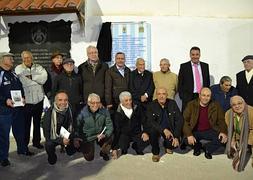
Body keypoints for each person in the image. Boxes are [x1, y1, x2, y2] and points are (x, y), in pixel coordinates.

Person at [0, 52, 33, 167]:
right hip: (4, 111)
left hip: (18, 108)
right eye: (10, 58)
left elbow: (20, 88)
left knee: (20, 131)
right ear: (2, 59)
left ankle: (22, 149)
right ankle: (3, 157)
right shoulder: (0, 74)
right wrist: (5, 100)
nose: (12, 60)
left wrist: (23, 97)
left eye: (12, 58)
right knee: (4, 135)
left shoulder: (13, 74)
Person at [183, 87, 227, 159]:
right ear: (199, 95)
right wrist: (189, 135)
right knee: (186, 140)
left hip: (210, 130)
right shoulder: (191, 104)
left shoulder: (216, 105)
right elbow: (184, 120)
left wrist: (223, 131)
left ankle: (208, 148)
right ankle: (197, 146)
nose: (205, 98)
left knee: (223, 139)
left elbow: (221, 120)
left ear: (210, 96)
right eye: (203, 95)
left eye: (208, 96)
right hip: (195, 130)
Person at [15, 50, 47, 149]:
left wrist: (31, 77)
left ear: (32, 58)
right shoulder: (18, 68)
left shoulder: (39, 67)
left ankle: (36, 142)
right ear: (22, 59)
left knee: (37, 123)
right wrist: (37, 80)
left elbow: (44, 79)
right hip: (27, 101)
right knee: (26, 124)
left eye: (28, 57)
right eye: (24, 58)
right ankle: (25, 145)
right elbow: (24, 82)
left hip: (39, 100)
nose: (27, 59)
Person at [146, 87, 183, 162]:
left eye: (163, 94)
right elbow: (150, 121)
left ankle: (167, 145)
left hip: (170, 129)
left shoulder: (172, 103)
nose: (161, 96)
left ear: (167, 95)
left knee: (174, 145)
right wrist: (163, 130)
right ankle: (155, 153)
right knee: (152, 131)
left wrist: (176, 136)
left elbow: (179, 120)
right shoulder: (151, 105)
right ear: (156, 95)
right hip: (157, 129)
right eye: (159, 94)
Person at [74, 93, 113, 161]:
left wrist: (105, 134)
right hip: (88, 136)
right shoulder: (82, 113)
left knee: (111, 136)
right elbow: (76, 127)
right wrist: (77, 137)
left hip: (100, 134)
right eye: (93, 103)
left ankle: (104, 151)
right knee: (89, 158)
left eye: (97, 102)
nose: (95, 105)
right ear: (88, 103)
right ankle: (83, 146)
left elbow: (110, 126)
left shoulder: (105, 112)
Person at [111, 91, 149, 159]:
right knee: (122, 143)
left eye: (130, 99)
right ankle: (124, 149)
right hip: (124, 135)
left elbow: (144, 120)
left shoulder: (137, 107)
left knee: (148, 137)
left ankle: (137, 147)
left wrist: (145, 132)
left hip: (136, 133)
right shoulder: (117, 112)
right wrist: (114, 147)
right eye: (126, 100)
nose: (129, 102)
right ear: (121, 102)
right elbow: (117, 130)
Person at [43, 91, 76, 165]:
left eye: (65, 100)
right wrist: (61, 141)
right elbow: (47, 135)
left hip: (67, 133)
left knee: (72, 151)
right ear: (55, 101)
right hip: (55, 136)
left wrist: (71, 137)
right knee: (48, 144)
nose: (63, 102)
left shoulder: (70, 109)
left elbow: (75, 125)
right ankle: (52, 156)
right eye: (60, 100)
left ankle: (68, 148)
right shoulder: (49, 113)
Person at [225, 95, 253, 171]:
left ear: (244, 103)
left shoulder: (251, 111)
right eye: (234, 105)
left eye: (239, 103)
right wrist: (232, 140)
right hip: (239, 134)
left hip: (251, 133)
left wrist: (245, 143)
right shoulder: (228, 114)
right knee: (233, 147)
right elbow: (232, 130)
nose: (237, 106)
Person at [178, 46, 210, 112]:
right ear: (190, 55)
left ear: (200, 55)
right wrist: (183, 96)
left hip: (202, 96)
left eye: (197, 54)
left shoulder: (205, 66)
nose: (195, 56)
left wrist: (206, 95)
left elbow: (207, 82)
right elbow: (180, 83)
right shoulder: (184, 66)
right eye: (193, 54)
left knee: (201, 115)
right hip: (188, 97)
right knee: (187, 117)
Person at [52, 58, 83, 124]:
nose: (69, 66)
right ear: (63, 66)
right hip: (63, 105)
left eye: (71, 64)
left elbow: (81, 90)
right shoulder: (59, 78)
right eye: (67, 64)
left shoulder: (78, 77)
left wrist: (80, 100)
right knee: (64, 123)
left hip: (76, 105)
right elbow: (54, 91)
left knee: (76, 123)